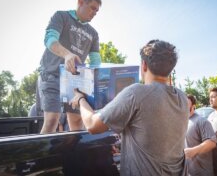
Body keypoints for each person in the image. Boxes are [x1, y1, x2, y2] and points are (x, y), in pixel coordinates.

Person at [70, 40, 189, 176]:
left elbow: (92, 125)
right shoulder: (182, 97)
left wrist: (80, 98)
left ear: (143, 65)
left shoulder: (136, 93)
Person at [37, 0, 102, 134]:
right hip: (51, 74)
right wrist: (67, 54)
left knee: (77, 122)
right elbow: (49, 39)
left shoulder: (93, 33)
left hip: (74, 82)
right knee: (52, 120)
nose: (94, 13)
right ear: (80, 2)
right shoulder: (61, 16)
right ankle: (45, 158)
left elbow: (96, 62)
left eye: (96, 11)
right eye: (92, 8)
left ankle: (75, 157)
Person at [184, 94, 216, 176]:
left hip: (202, 172)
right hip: (187, 171)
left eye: (186, 104)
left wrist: (193, 151)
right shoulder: (182, 122)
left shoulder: (202, 121)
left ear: (193, 106)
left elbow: (212, 142)